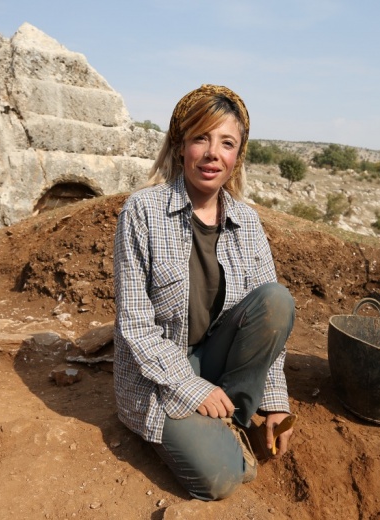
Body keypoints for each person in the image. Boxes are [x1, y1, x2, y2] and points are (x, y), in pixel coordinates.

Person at [113, 84, 296, 501]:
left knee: (276, 301)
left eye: (226, 143)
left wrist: (275, 402)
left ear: (237, 156)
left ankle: (231, 412)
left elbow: (268, 327)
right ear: (181, 146)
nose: (213, 153)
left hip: (213, 361)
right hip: (157, 376)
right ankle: (214, 423)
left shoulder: (247, 223)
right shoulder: (141, 212)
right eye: (201, 138)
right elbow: (137, 328)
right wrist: (194, 390)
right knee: (221, 479)